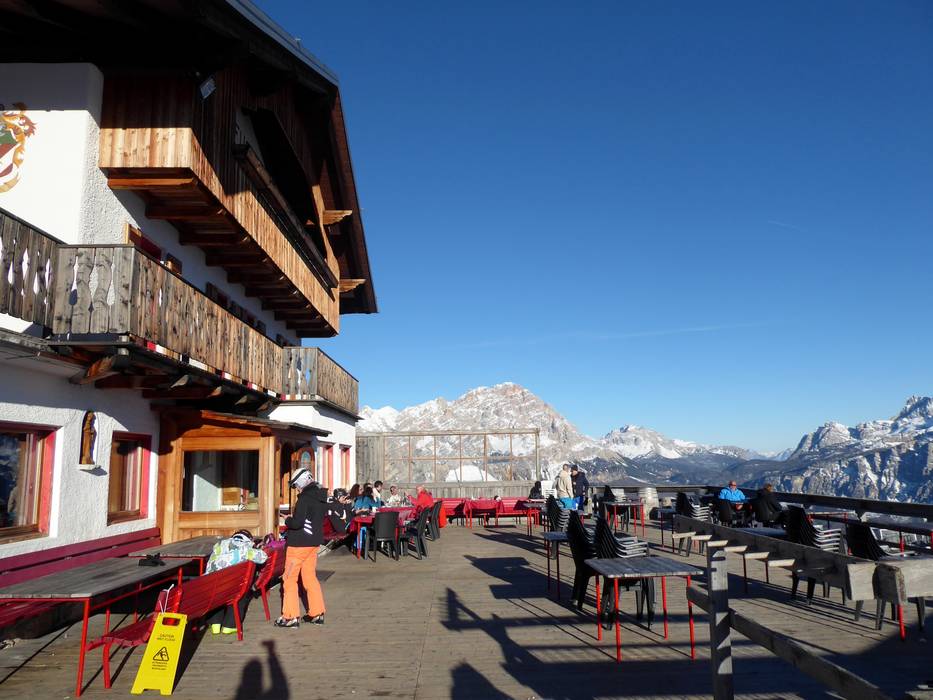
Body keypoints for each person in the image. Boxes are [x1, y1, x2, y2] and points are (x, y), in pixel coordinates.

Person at [275, 468, 327, 629]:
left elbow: (297, 523)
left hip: (298, 544)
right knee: (310, 577)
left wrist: (287, 520)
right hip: (313, 543)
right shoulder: (321, 496)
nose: (297, 488)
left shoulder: (304, 498)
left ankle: (290, 617)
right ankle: (317, 613)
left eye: (296, 485)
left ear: (303, 481)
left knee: (289, 579)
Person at [205, 529, 268, 635]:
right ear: (249, 539)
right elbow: (263, 558)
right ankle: (230, 625)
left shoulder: (219, 545)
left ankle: (215, 624)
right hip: (232, 588)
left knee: (218, 587)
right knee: (241, 589)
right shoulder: (246, 548)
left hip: (212, 586)